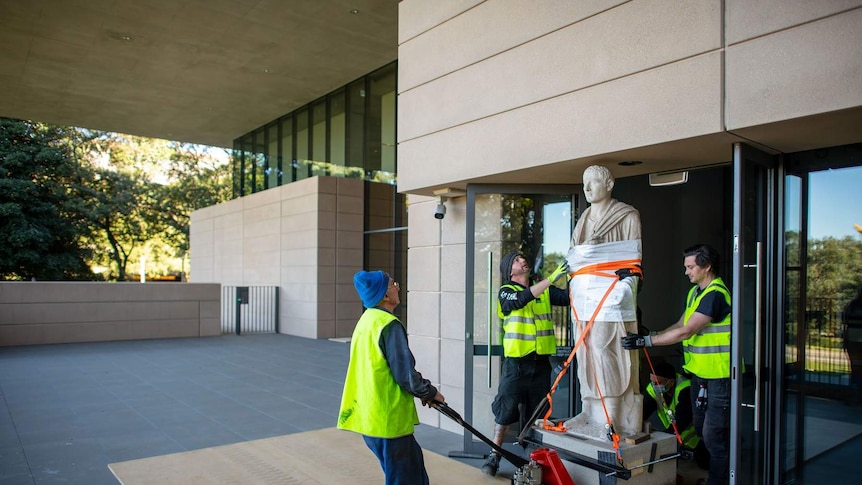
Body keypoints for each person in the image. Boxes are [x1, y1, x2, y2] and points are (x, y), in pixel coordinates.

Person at [622, 244, 730, 485]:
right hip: (700, 375)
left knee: (714, 435)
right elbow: (680, 324)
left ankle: (718, 482)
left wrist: (647, 340)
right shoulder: (696, 293)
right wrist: (654, 334)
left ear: (707, 266)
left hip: (720, 376)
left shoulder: (715, 294)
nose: (686, 272)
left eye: (691, 267)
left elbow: (688, 331)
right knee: (704, 430)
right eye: (686, 267)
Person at [338, 270, 445, 485]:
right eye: (393, 284)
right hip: (388, 419)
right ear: (385, 295)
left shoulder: (366, 321)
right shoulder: (389, 325)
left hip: (370, 417)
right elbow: (405, 375)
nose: (397, 287)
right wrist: (431, 393)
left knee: (411, 473)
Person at [564, 164, 644, 440]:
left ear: (609, 184)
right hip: (584, 295)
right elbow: (575, 259)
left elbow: (633, 259)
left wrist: (626, 286)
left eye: (593, 182)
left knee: (603, 347)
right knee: (585, 350)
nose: (587, 188)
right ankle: (590, 410)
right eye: (584, 182)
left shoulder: (627, 215)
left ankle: (613, 415)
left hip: (610, 294)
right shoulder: (584, 218)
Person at [481, 252, 569, 476]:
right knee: (506, 409)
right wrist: (551, 278)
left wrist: (576, 275)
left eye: (523, 258)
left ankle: (533, 460)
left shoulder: (544, 289)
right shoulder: (506, 292)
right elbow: (521, 300)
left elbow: (569, 298)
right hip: (516, 364)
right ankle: (494, 455)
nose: (523, 261)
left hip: (540, 364)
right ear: (510, 271)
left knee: (537, 414)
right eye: (517, 260)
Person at [643, 361, 710, 471]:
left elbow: (682, 420)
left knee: (704, 463)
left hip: (696, 439)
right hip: (677, 437)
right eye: (652, 382)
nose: (654, 386)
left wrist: (665, 438)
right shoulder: (653, 389)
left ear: (671, 382)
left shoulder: (685, 389)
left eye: (658, 383)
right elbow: (645, 408)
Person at [843, 285, 862, 403]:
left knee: (855, 368)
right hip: (855, 339)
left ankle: (854, 394)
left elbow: (846, 322)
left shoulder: (851, 305)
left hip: (852, 339)